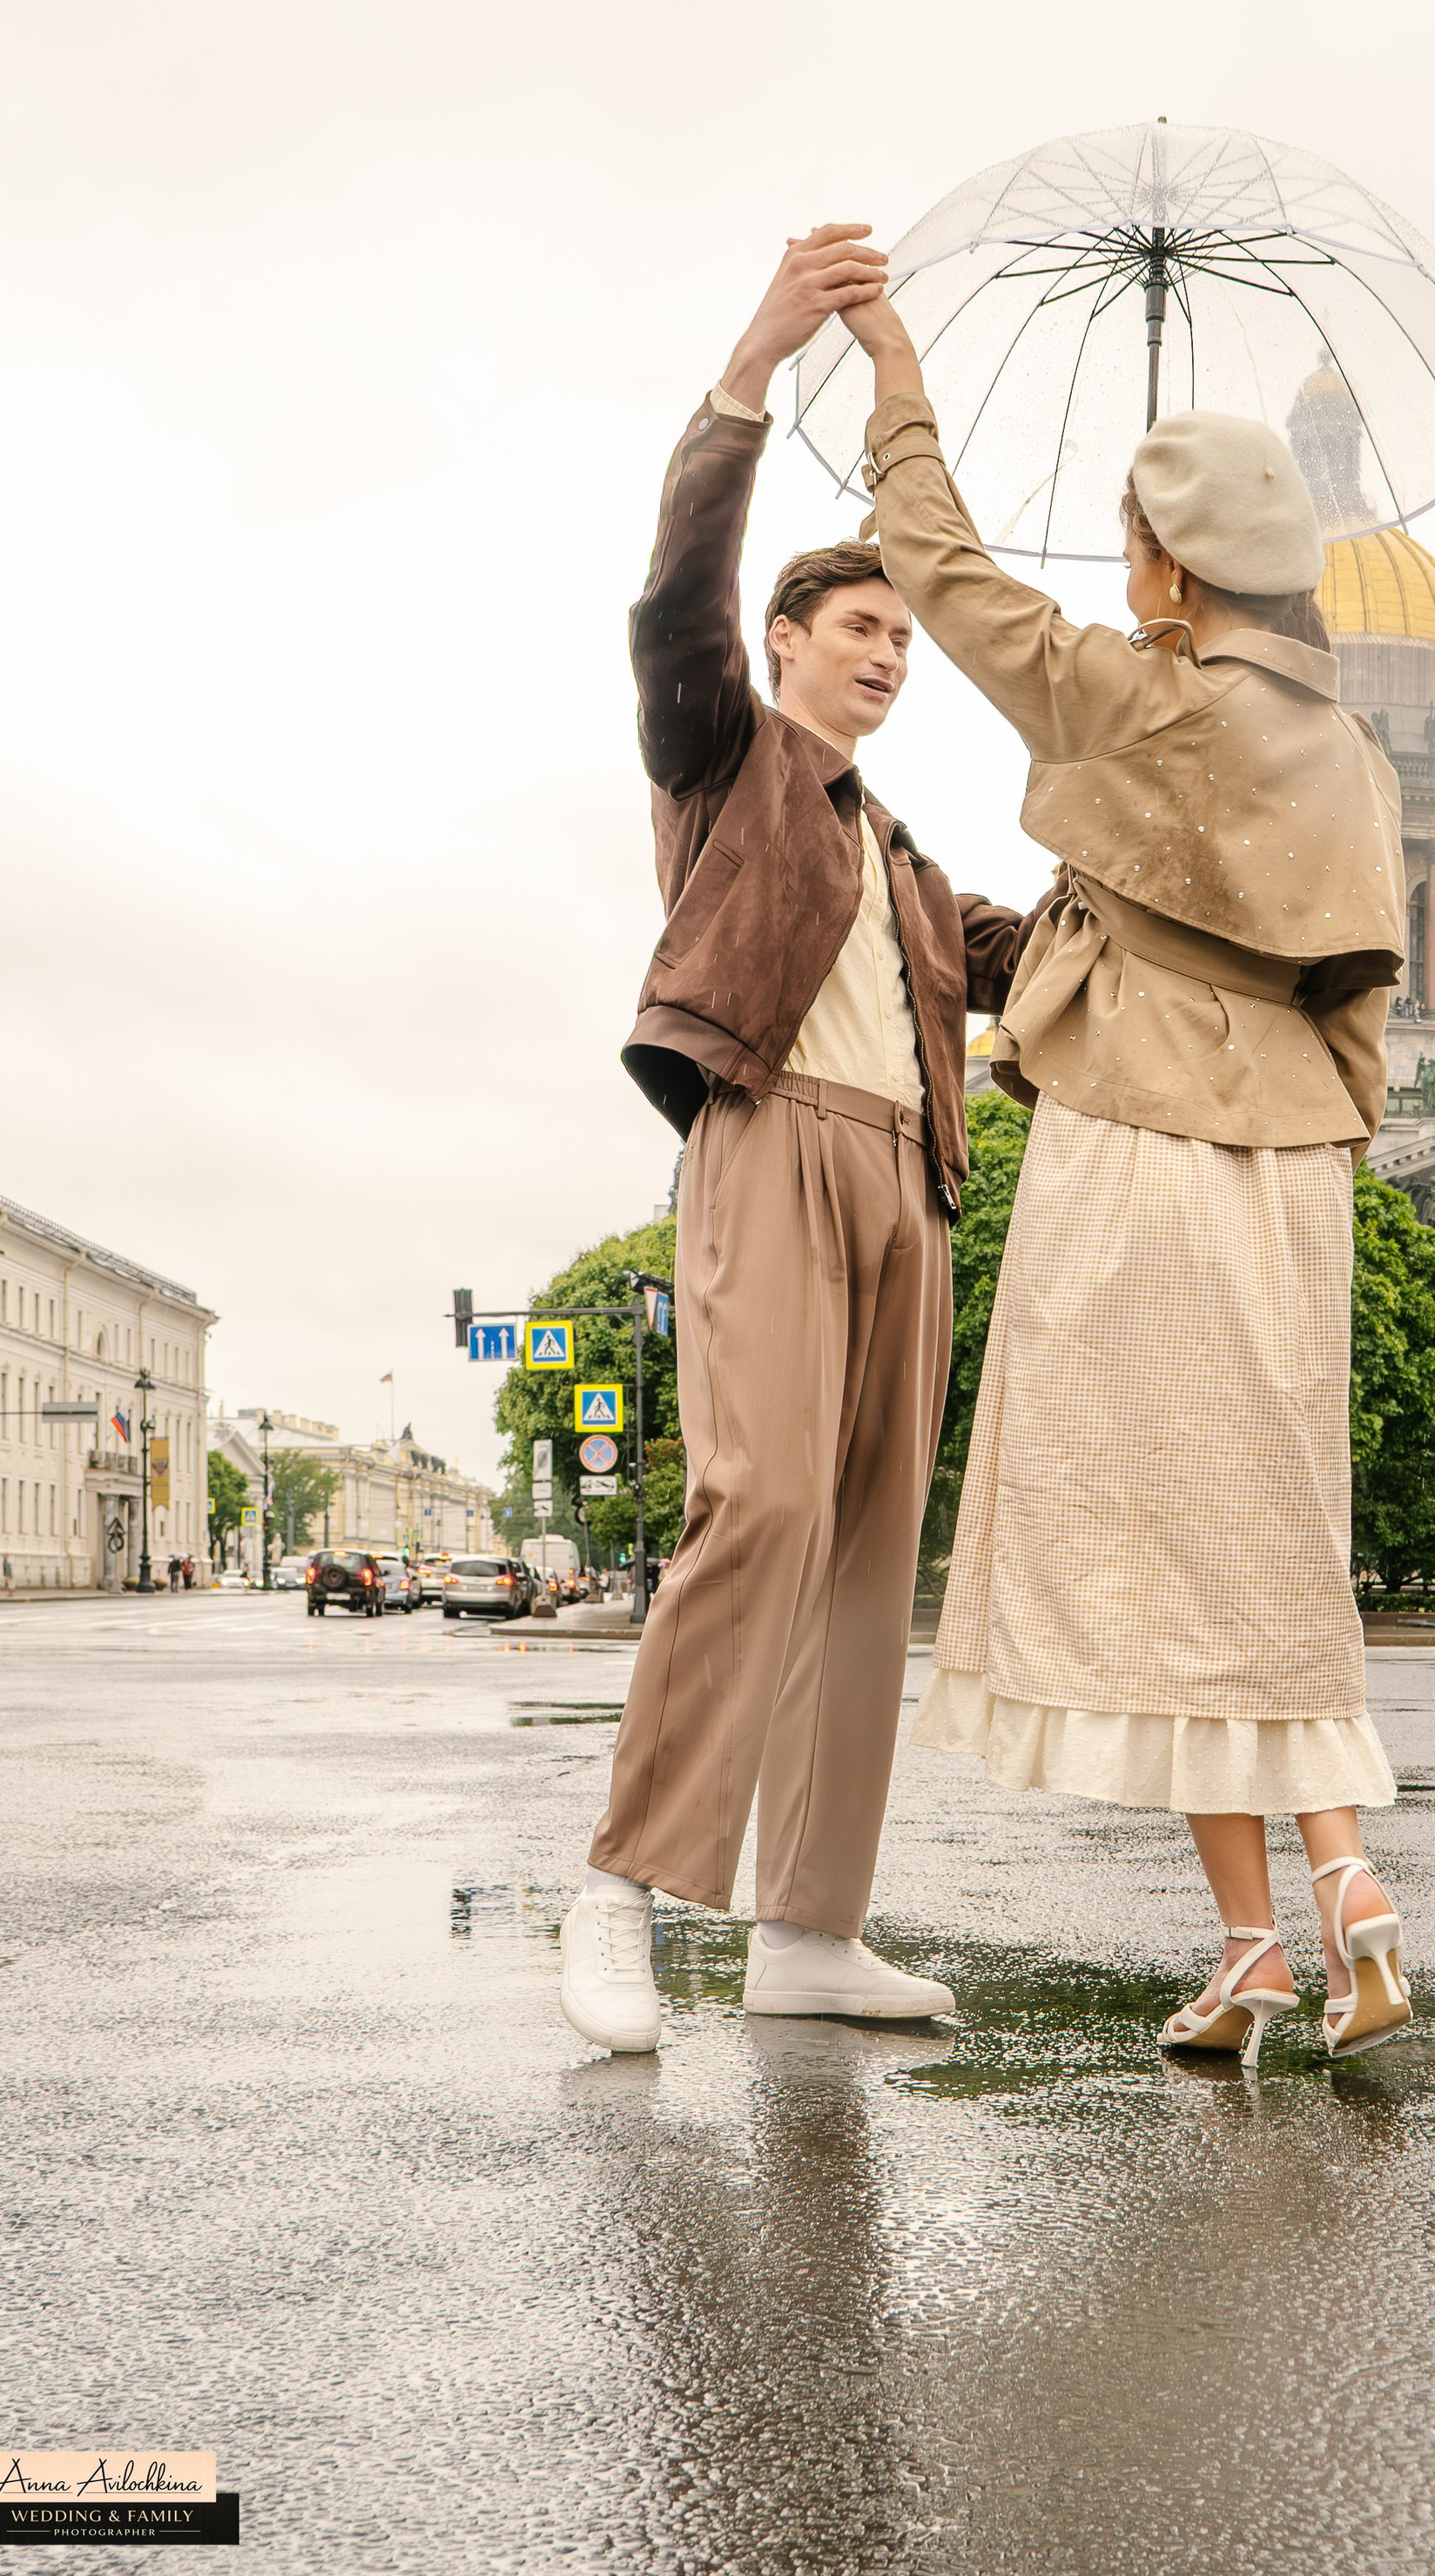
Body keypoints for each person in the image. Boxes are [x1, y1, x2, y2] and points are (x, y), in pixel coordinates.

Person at [844, 283, 1413, 2070]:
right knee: (1254, 1536)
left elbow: (933, 567)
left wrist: (897, 378)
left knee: (1157, 1541)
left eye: (1128, 543)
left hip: (1133, 1150)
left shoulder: (1114, 694)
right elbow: (1355, 1004)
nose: (1116, 571)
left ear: (1169, 564)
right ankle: (1277, 1931)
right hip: (1293, 1175)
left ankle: (1307, 1904)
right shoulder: (1352, 756)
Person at [559, 228, 1042, 2058]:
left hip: (909, 1188)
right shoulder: (724, 755)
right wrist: (754, 365)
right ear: (783, 645)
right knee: (754, 1501)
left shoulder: (907, 862)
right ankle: (625, 1891)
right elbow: (669, 593)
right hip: (768, 1144)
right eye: (864, 631)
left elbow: (1044, 960)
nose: (892, 659)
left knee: (862, 1545)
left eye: (905, 641)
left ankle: (809, 1931)